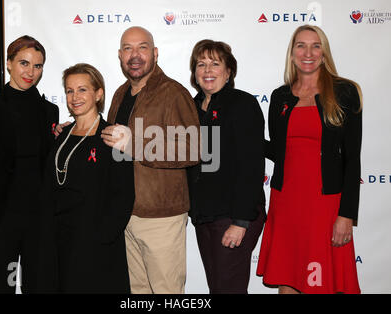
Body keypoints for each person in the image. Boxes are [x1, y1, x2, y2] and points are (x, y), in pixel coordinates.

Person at [256, 25, 362, 294]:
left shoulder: (344, 93)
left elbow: (352, 159)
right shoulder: (280, 96)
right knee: (288, 278)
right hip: (286, 201)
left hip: (324, 205)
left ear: (324, 54)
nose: (308, 52)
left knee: (321, 283)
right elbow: (280, 152)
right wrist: (244, 140)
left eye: (316, 46)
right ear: (292, 53)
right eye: (301, 45)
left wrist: (346, 214)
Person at [100, 26, 200, 294]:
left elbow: (192, 149)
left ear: (155, 53)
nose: (135, 55)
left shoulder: (173, 93)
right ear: (120, 56)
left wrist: (136, 144)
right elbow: (111, 142)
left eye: (142, 47)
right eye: (128, 48)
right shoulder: (120, 94)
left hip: (161, 218)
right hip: (125, 214)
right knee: (137, 293)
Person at [0, 35, 59, 293]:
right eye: (24, 63)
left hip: (39, 221)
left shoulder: (50, 112)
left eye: (37, 66)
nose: (30, 72)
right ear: (8, 63)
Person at [38, 63, 134, 293]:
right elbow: (49, 188)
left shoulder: (113, 136)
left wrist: (102, 237)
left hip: (96, 245)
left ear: (98, 93)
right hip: (61, 243)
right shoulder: (61, 137)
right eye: (70, 91)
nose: (75, 96)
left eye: (82, 89)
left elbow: (124, 195)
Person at [186, 39, 266, 294]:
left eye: (215, 64)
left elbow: (251, 165)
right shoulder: (191, 108)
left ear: (228, 71)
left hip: (234, 215)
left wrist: (240, 221)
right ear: (194, 72)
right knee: (218, 288)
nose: (207, 70)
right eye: (201, 64)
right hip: (204, 215)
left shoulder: (242, 105)